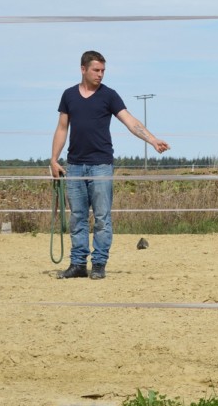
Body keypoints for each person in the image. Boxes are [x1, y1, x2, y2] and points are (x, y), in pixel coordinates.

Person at [50, 50, 170, 280]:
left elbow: (130, 121)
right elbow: (62, 128)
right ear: (83, 69)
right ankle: (78, 264)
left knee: (102, 218)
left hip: (101, 165)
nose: (100, 74)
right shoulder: (69, 95)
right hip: (74, 166)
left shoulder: (109, 95)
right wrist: (54, 159)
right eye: (96, 70)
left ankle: (99, 264)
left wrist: (152, 140)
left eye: (103, 70)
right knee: (77, 217)